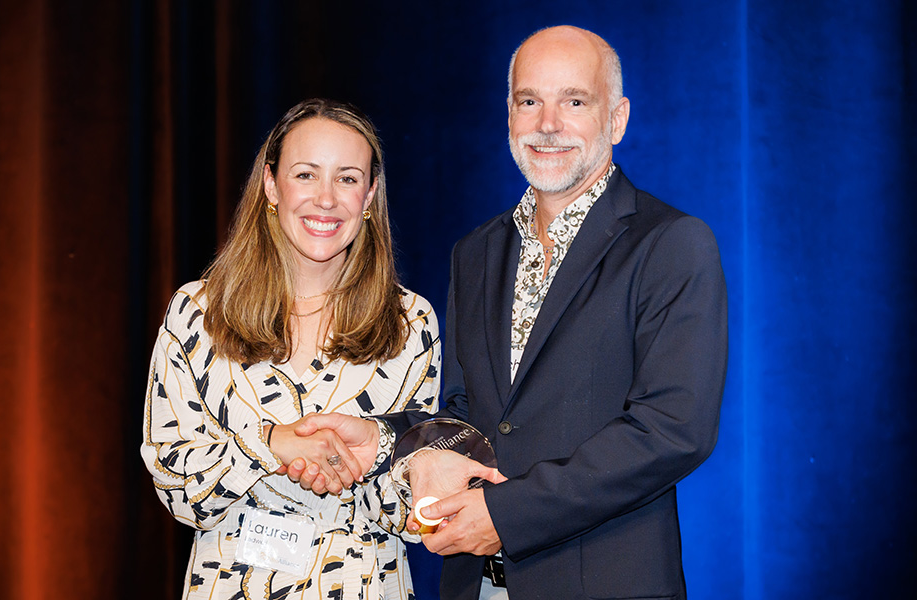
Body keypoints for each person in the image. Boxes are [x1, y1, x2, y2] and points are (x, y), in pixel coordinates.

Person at [291, 26, 728, 600]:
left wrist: (507, 514)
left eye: (575, 101)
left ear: (617, 119)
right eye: (529, 101)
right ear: (509, 115)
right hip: (476, 584)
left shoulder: (670, 243)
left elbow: (673, 430)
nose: (548, 123)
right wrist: (384, 438)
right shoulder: (476, 252)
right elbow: (469, 414)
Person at [140, 98, 442, 600]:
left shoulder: (410, 322)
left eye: (347, 179)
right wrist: (271, 444)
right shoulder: (197, 313)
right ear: (270, 184)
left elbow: (416, 511)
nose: (326, 199)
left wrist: (367, 455)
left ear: (370, 195)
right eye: (306, 175)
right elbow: (177, 489)